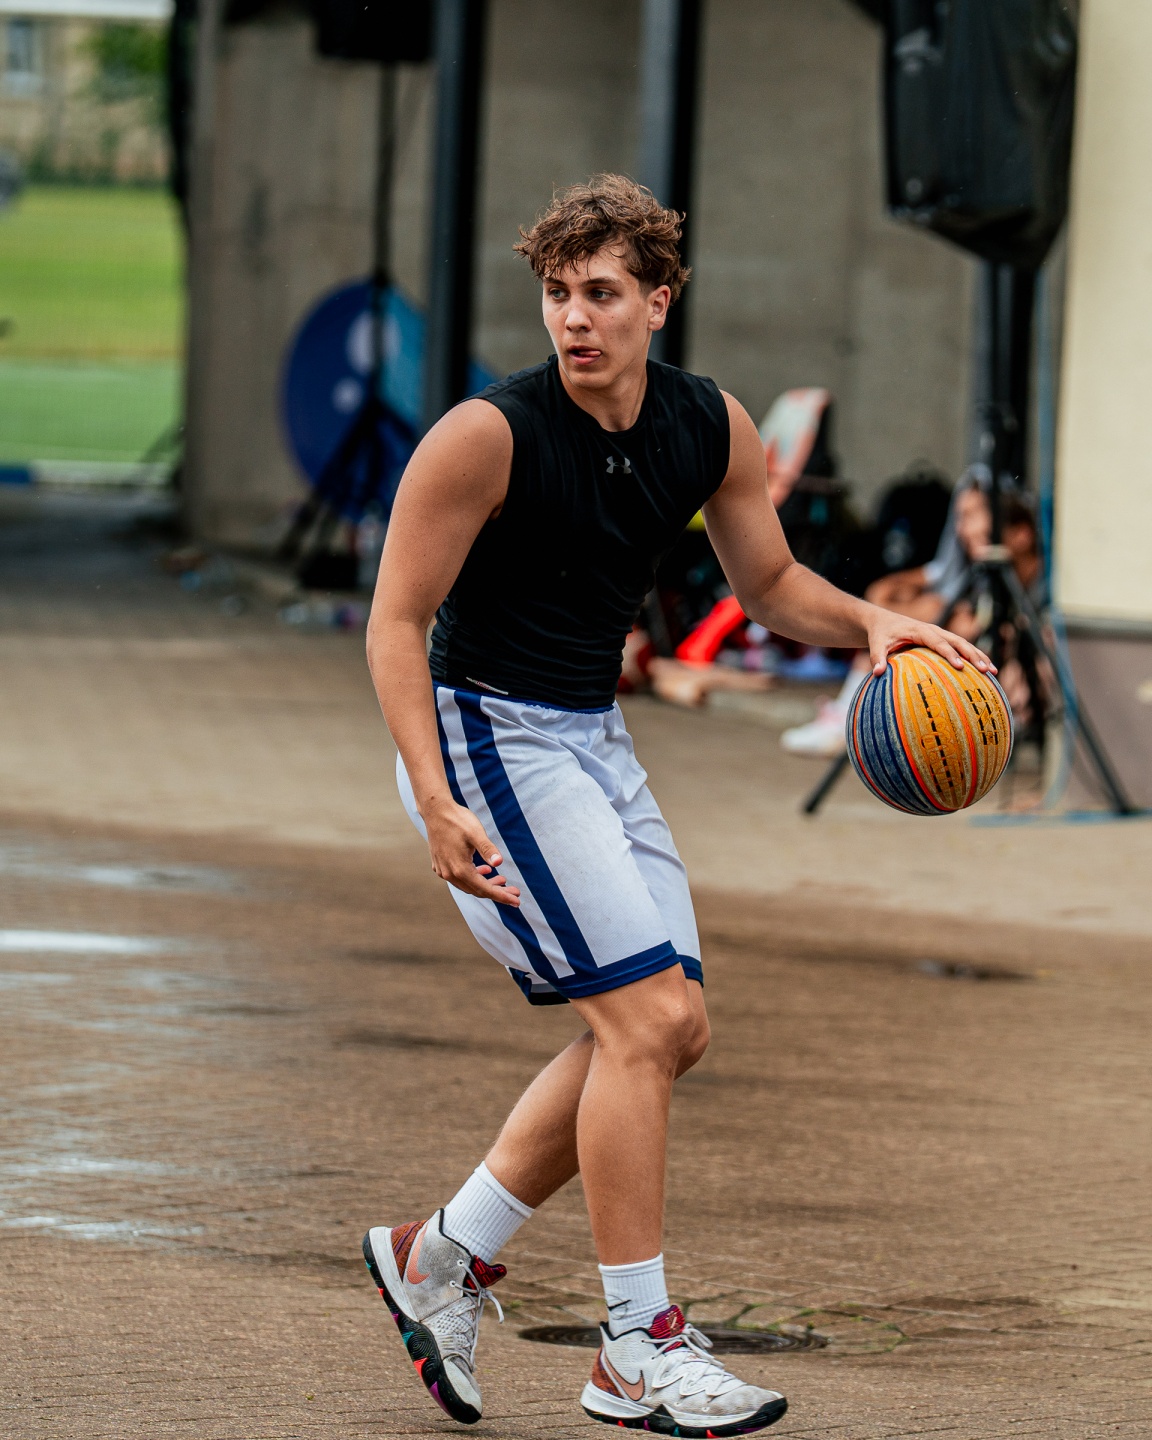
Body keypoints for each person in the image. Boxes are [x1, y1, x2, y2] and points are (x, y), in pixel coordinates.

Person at [363, 174, 994, 1435]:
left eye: (601, 293)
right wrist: (433, 800)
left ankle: (441, 1255)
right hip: (486, 737)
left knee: (670, 1028)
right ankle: (636, 1345)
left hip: (591, 738)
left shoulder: (708, 424)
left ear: (659, 301)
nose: (574, 317)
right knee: (644, 1020)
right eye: (557, 293)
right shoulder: (486, 436)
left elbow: (770, 584)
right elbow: (394, 622)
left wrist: (875, 622)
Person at [780, 468, 1025, 757]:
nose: (963, 528)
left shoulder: (1032, 578)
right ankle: (850, 717)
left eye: (972, 516)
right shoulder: (961, 568)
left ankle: (851, 718)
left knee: (933, 616)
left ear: (1017, 529)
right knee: (916, 615)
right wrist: (888, 615)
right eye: (960, 517)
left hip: (998, 679)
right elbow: (884, 591)